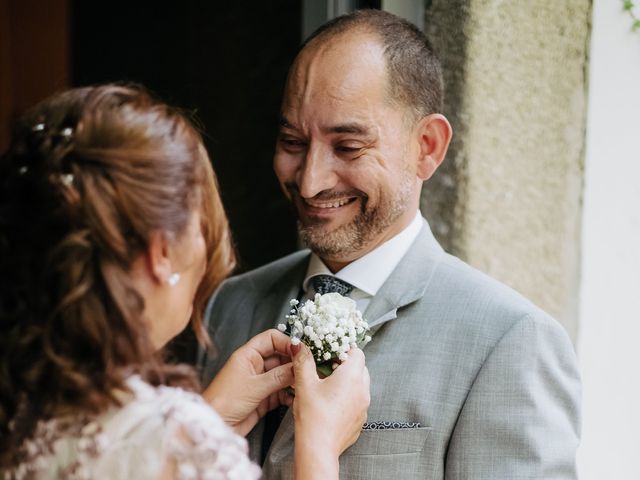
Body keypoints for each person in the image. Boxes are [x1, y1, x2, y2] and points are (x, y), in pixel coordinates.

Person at [199, 9, 581, 479]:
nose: (311, 181)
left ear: (428, 146)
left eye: (348, 147)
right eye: (292, 141)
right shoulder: (230, 306)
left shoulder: (510, 341)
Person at [0, 84, 370, 479]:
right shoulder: (177, 439)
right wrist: (319, 445)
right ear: (161, 252)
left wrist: (207, 418)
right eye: (200, 224)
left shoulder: (23, 413)